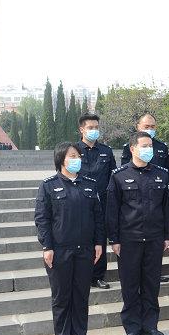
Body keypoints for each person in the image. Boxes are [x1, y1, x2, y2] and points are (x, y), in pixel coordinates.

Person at [34, 142, 105, 335]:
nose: (77, 160)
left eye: (78, 156)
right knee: (61, 296)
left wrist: (99, 243)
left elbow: (98, 216)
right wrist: (47, 246)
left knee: (81, 295)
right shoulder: (48, 185)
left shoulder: (89, 184)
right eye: (72, 156)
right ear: (61, 159)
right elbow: (42, 219)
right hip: (60, 251)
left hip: (85, 250)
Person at [106, 131, 169, 335]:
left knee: (151, 284)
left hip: (154, 238)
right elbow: (112, 210)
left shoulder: (161, 174)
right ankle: (132, 327)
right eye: (144, 146)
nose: (148, 150)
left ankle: (151, 325)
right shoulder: (119, 175)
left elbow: (166, 207)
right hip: (129, 239)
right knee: (130, 285)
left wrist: (166, 235)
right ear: (133, 148)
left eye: (150, 146)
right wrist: (114, 239)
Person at [75, 113, 117, 290]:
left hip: (103, 202)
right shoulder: (74, 150)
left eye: (96, 127)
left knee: (100, 238)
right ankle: (83, 276)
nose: (94, 130)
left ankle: (98, 276)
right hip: (81, 202)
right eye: (90, 127)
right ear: (81, 129)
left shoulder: (106, 151)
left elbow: (113, 176)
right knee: (83, 239)